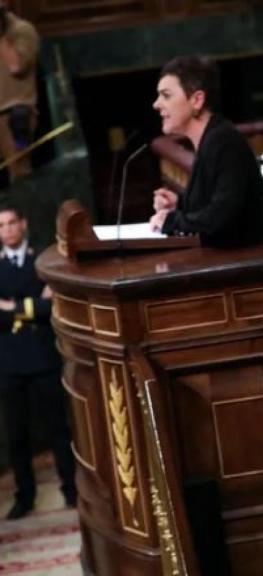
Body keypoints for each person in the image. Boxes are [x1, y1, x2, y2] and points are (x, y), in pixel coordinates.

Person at [149, 55, 263, 247]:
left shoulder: (224, 141)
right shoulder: (211, 138)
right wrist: (179, 204)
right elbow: (218, 200)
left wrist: (171, 222)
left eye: (166, 95)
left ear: (197, 100)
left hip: (261, 263)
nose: (156, 104)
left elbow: (222, 216)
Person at [0, 205, 76, 520]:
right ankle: (25, 496)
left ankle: (71, 489)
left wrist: (10, 307)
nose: (6, 229)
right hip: (9, 361)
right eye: (0, 225)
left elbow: (53, 306)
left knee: (59, 428)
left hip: (43, 355)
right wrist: (34, 305)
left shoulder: (43, 259)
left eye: (11, 222)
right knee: (17, 435)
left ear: (24, 223)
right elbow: (39, 306)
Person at [0, 4, 38, 182]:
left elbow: (16, 66)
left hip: (15, 120)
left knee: (19, 178)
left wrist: (2, 34)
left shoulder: (22, 31)